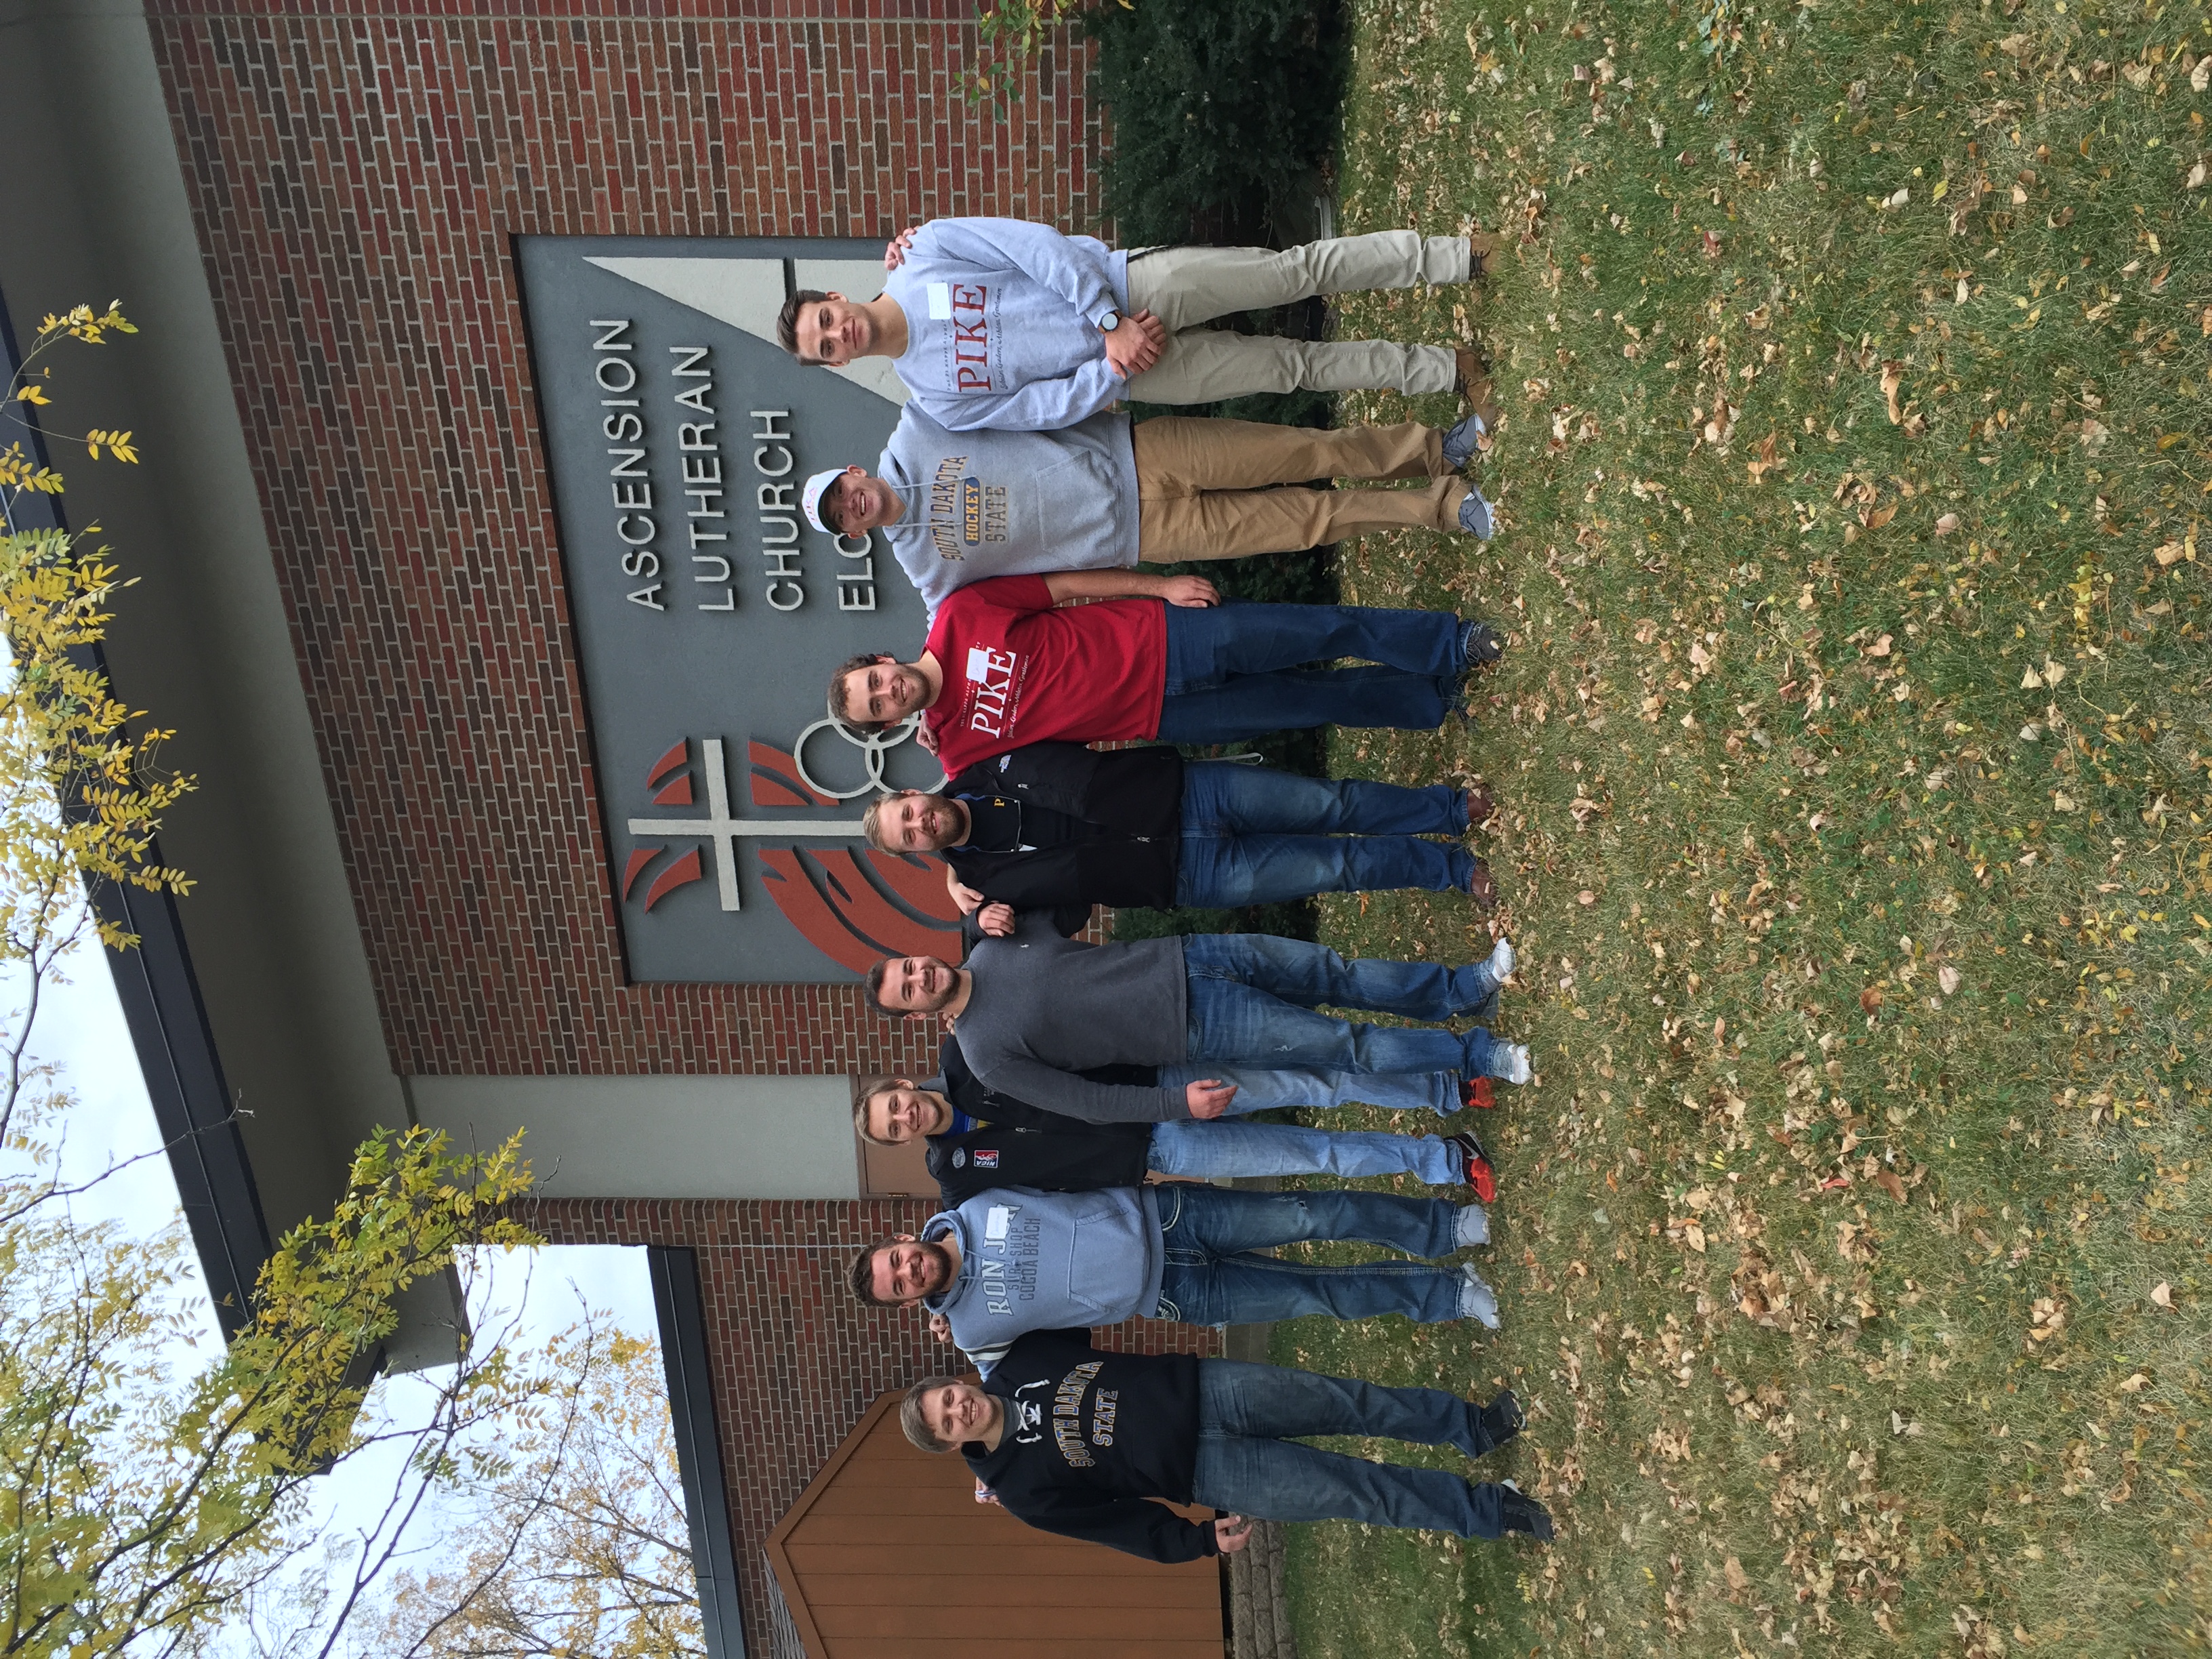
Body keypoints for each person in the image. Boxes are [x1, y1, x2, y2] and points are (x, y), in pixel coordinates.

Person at [775, 218, 1506, 431]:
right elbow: (1034, 409)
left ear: (836, 296)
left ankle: (1454, 256)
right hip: (1138, 370)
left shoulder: (923, 252)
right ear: (835, 363)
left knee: (1292, 272)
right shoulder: (933, 395)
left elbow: (1031, 248)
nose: (840, 335)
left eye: (828, 320)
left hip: (1132, 286)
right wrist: (1111, 366)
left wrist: (1106, 321)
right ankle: (1448, 368)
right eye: (827, 347)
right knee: (1291, 369)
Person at [902, 1328, 1553, 1559]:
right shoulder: (1020, 1491)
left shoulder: (1019, 1359)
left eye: (948, 1398)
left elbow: (1055, 1285)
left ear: (956, 1383)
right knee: (1356, 1493)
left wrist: (953, 1304)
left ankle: (1471, 1427)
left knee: (1348, 1400)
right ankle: (1493, 1511)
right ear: (951, 1443)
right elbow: (1116, 1526)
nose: (959, 1409)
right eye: (949, 1422)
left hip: (1209, 1388)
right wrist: (1196, 1540)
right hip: (1213, 1471)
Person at [798, 402, 1500, 615]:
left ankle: (1437, 447)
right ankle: (1443, 507)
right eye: (842, 517)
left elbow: (963, 366)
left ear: (854, 471)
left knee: (1306, 451)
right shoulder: (926, 567)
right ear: (853, 532)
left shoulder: (917, 427)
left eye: (842, 492)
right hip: (1145, 532)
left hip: (1143, 452)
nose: (851, 506)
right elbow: (942, 644)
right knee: (1309, 521)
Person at [866, 909, 1530, 1124]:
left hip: (1190, 955)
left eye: (910, 966)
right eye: (909, 990)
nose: (920, 976)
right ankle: (1480, 1056)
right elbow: (1088, 1102)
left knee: (1338, 973)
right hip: (1193, 1028)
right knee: (1344, 1044)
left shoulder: (994, 939)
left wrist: (976, 911)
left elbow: (1060, 888)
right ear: (917, 1013)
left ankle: (1466, 986)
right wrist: (1176, 1103)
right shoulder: (984, 1054)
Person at [826, 571, 1503, 778]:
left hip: (1165, 637)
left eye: (876, 684)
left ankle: (1453, 642)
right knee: (1306, 701)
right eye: (878, 709)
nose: (888, 695)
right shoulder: (957, 750)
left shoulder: (959, 614)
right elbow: (954, 817)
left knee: (1318, 628)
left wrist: (1162, 587)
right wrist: (953, 888)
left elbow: (1062, 587)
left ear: (881, 662)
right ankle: (1430, 698)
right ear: (888, 725)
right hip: (1163, 718)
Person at [848, 1180, 1503, 1366]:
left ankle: (1445, 1228)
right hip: (1172, 1295)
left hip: (1170, 1216)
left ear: (905, 1238)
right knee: (1316, 1297)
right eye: (901, 1284)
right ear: (909, 1304)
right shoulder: (970, 1335)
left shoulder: (974, 1196)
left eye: (897, 1260)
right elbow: (1009, 1395)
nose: (909, 1270)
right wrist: (993, 1467)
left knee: (1309, 1215)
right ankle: (1451, 1295)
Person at [863, 739, 1500, 913]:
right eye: (910, 836)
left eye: (909, 812)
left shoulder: (979, 762)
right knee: (1339, 867)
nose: (921, 823)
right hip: (1185, 875)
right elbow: (1064, 920)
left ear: (915, 791)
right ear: (917, 852)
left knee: (1331, 804)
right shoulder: (979, 886)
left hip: (1186, 794)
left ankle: (1447, 810)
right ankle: (1453, 870)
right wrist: (988, 922)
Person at [856, 1042, 1499, 1204]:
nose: (904, 1117)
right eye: (895, 1129)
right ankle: (1445, 1161)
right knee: (1313, 1155)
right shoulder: (957, 1175)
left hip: (1158, 1088)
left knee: (1311, 1083)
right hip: (1162, 1151)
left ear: (905, 1087)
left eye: (895, 1105)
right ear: (903, 1141)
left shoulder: (965, 1054)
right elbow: (954, 1245)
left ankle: (1445, 1087)